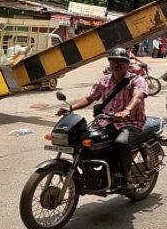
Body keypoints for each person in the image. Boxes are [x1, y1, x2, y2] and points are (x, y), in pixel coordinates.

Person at [57, 48, 147, 190]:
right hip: (106, 121)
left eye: (121, 61)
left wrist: (127, 111)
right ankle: (93, 174)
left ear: (127, 63)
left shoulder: (137, 80)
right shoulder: (104, 81)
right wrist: (71, 108)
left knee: (121, 142)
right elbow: (89, 98)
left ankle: (127, 178)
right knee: (84, 141)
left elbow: (138, 96)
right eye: (113, 61)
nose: (116, 64)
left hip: (130, 122)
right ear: (109, 63)